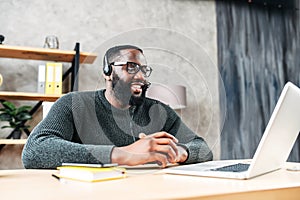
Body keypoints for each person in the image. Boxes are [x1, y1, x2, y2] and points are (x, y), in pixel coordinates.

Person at [22, 45, 213, 169]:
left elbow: (203, 149)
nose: (140, 76)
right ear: (107, 72)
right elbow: (34, 151)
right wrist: (124, 154)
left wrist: (180, 152)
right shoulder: (73, 103)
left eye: (143, 70)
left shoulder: (159, 111)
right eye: (130, 67)